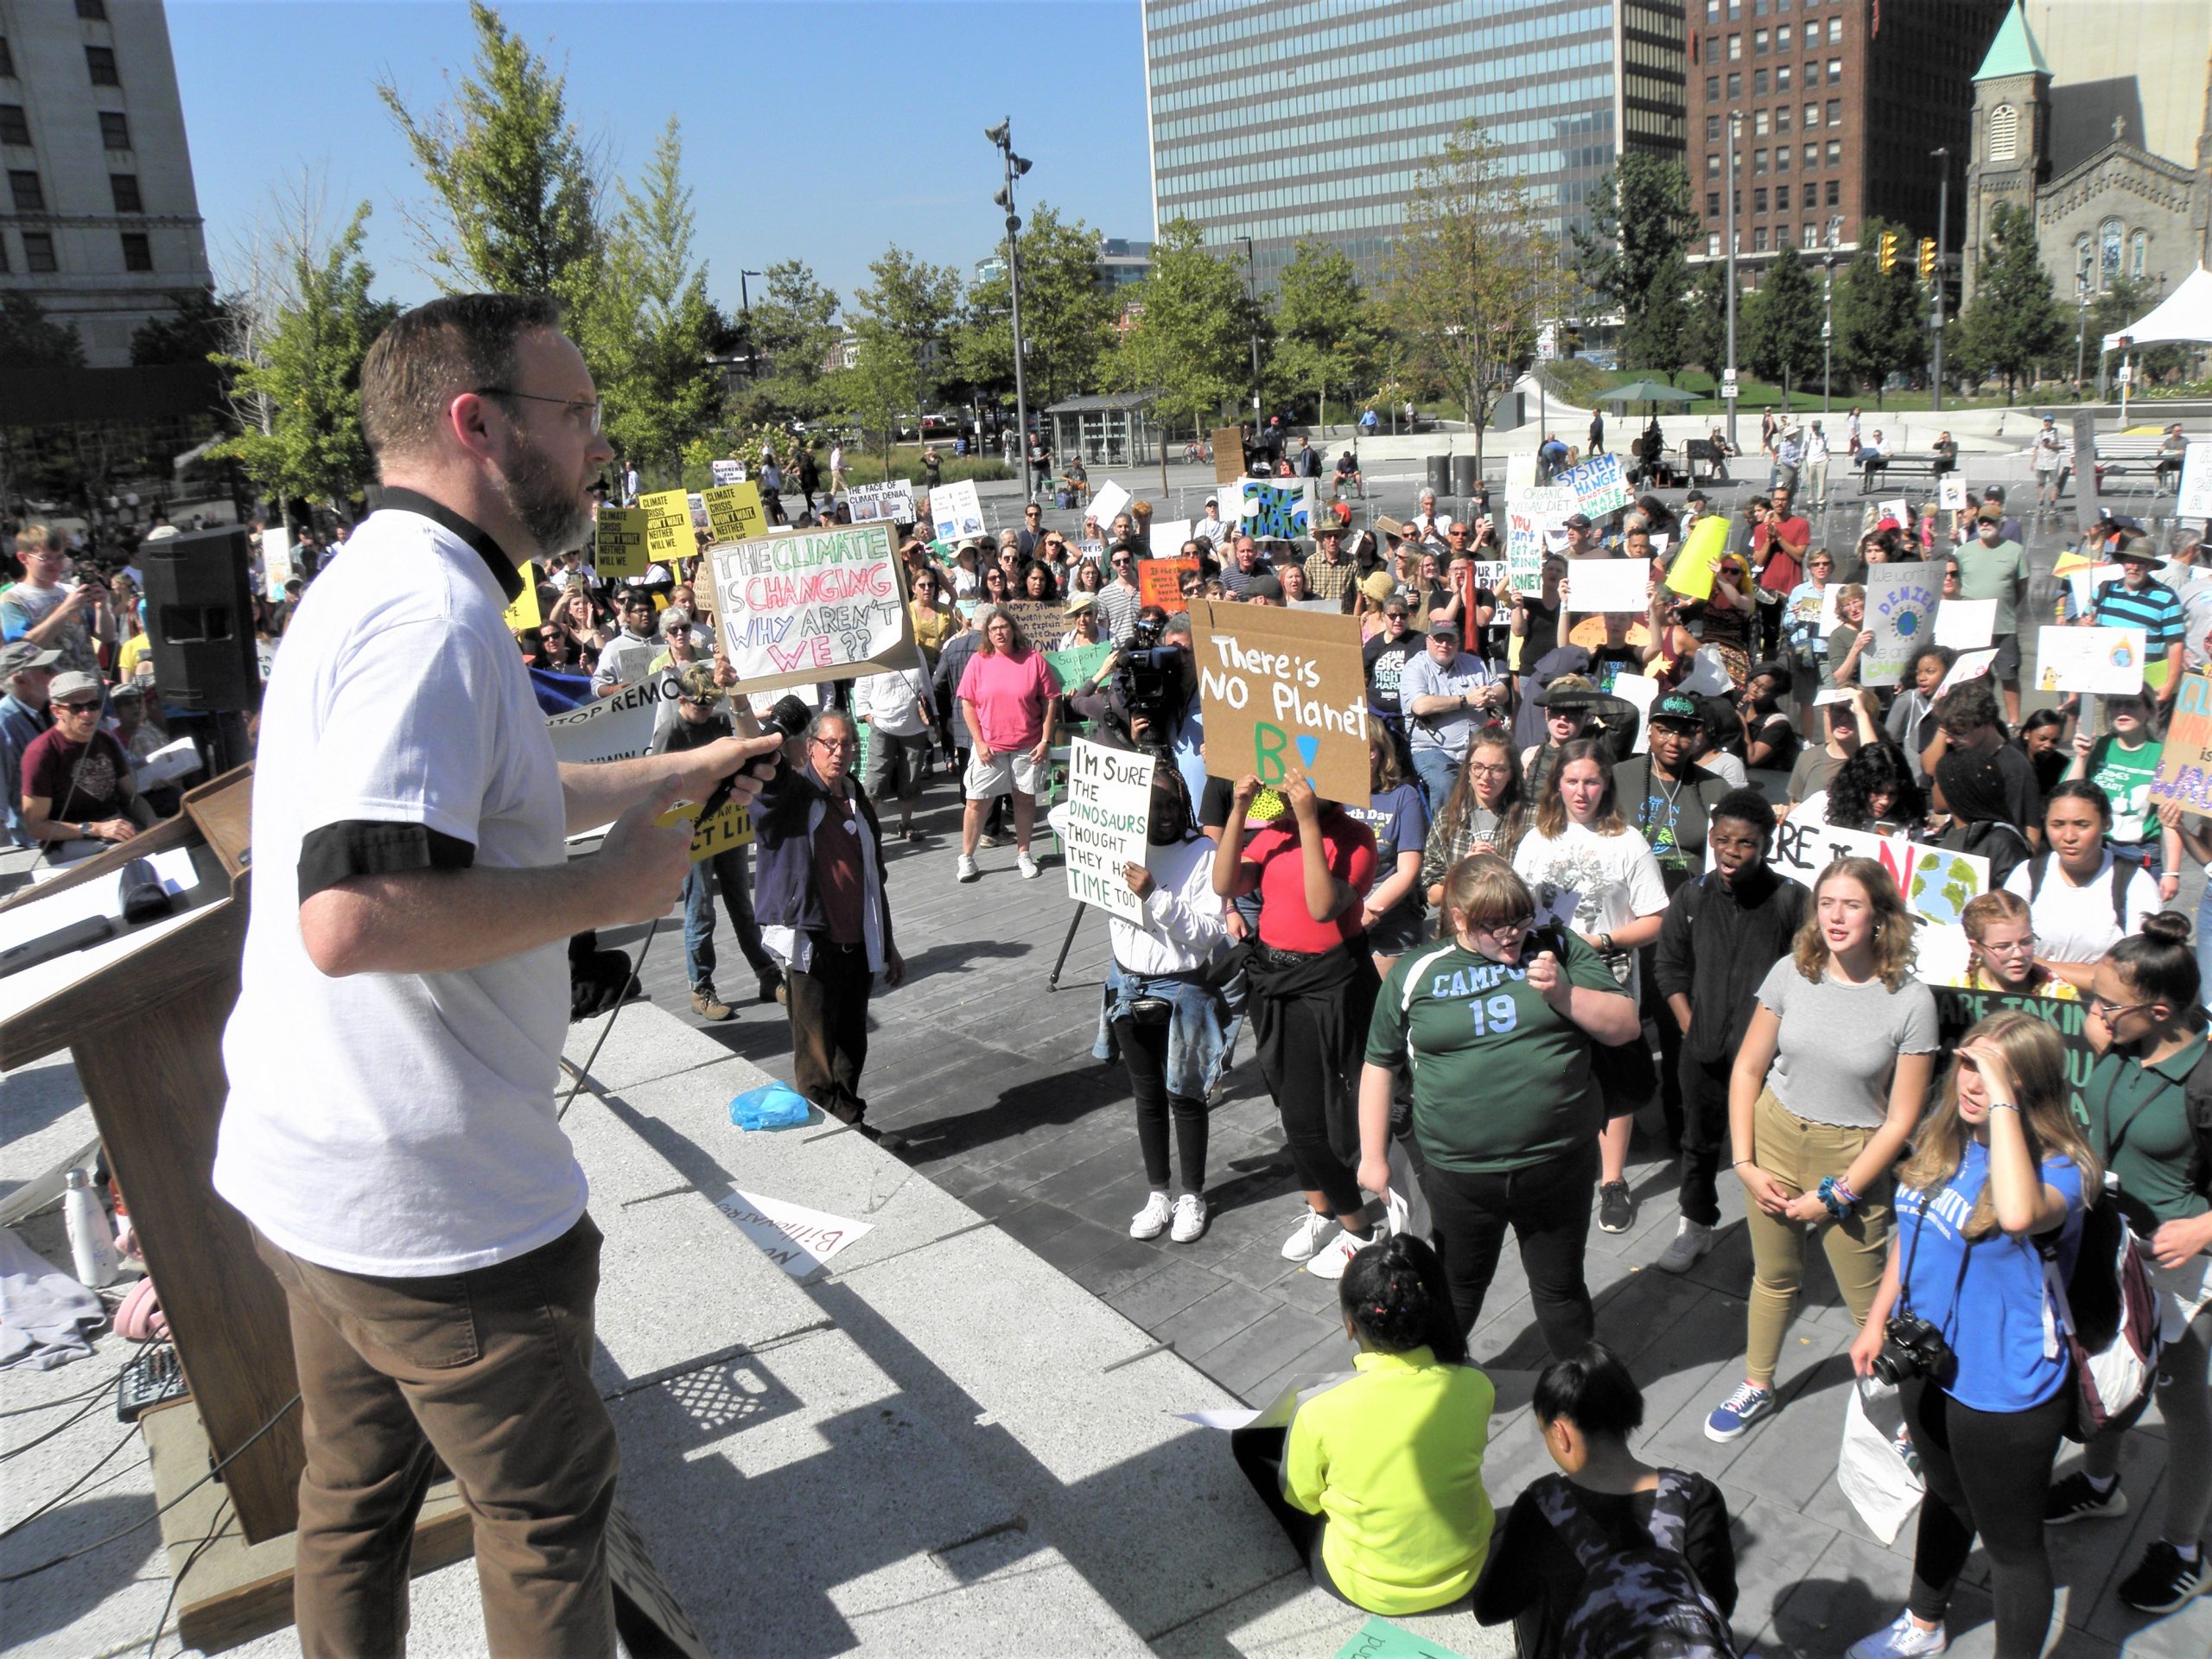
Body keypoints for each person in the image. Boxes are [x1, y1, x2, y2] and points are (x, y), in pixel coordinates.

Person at [212, 294, 783, 1656]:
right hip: (438, 1210)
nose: (598, 445)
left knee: (350, 1502)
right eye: (575, 414)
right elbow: (349, 913)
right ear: (478, 423)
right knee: (544, 1514)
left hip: (313, 1171)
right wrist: (612, 887)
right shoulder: (434, 615)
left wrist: (671, 772)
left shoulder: (380, 577)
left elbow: (481, 798)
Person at [1844, 1014, 2096, 1659]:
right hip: (1928, 1364)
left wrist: (2004, 1101)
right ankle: (1924, 1626)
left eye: (1992, 1074)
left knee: (2012, 1547)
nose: (1972, 1084)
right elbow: (1911, 1232)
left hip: (2005, 1392)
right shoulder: (1944, 1142)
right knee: (1947, 1496)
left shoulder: (2061, 1172)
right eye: (1966, 1066)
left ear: (2026, 1087)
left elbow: (2015, 1213)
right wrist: (1877, 1319)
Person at [1359, 857, 1637, 1352]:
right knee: (1458, 1291)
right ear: (1461, 918)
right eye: (1496, 925)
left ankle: (1578, 1396)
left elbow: (1624, 1026)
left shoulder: (1557, 947)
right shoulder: (1416, 971)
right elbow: (1379, 1064)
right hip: (1461, 1177)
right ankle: (1433, 1388)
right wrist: (1373, 1157)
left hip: (1557, 1166)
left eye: (1521, 920)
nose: (1513, 936)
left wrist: (1563, 994)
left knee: (1561, 1290)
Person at [1706, 858, 1938, 1441]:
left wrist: (1838, 1194)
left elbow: (1902, 1118)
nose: (1835, 916)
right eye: (1827, 902)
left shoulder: (1911, 1001)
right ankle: (1757, 1385)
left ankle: (1911, 1424)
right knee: (1774, 1276)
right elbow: (1749, 1068)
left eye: (1852, 904)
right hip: (1777, 1137)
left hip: (1853, 1157)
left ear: (1881, 915)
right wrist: (1744, 1163)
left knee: (1871, 1303)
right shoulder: (1792, 971)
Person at [2044, 917, 2212, 1614]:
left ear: (2162, 1010)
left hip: (2181, 1273)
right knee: (2108, 1369)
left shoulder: (2204, 1075)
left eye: (2109, 1002)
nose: (2095, 1012)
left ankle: (2184, 1550)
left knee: (2184, 1407)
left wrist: (2205, 1225)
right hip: (2113, 1249)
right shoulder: (2120, 1038)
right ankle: (2101, 1487)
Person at [1231, 1234, 1495, 1615]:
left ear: (1350, 1325)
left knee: (1246, 1443)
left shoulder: (1320, 1409)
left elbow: (1301, 1497)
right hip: (1467, 1568)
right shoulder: (1475, 1383)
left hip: (1370, 1587)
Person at [1214, 775, 1391, 1282]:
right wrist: (1241, 806)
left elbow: (1321, 905)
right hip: (1276, 981)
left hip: (1330, 988)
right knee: (1288, 1105)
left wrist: (1310, 820)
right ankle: (1321, 1209)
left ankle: (1359, 1229)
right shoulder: (1273, 831)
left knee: (1311, 1124)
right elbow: (1226, 884)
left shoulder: (1355, 836)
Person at [1474, 1343, 1737, 1659]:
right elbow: (1720, 1600)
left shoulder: (1542, 1509)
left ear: (1560, 1433)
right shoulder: (1697, 1498)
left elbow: (1491, 1608)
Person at [1512, 741, 1669, 1235]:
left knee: (1611, 1079)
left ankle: (1614, 1182)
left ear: (1607, 785)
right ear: (1557, 783)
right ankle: (1549, 1170)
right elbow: (1517, 902)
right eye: (1573, 781)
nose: (1582, 792)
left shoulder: (1630, 842)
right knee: (1550, 1070)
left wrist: (1602, 939)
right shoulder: (1537, 837)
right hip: (1544, 973)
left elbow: (1656, 920)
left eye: (1592, 781)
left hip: (1608, 977)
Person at [1654, 790, 1809, 1274]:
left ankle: (1779, 1251)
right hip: (1701, 1053)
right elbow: (1669, 967)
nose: (1730, 852)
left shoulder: (1791, 900)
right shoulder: (1692, 896)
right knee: (1698, 1147)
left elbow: (1808, 975)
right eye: (1722, 840)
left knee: (1772, 1156)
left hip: (1768, 1063)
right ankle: (1695, 1225)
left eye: (1745, 843)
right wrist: (1688, 1023)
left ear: (1767, 842)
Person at [753, 707, 906, 1140]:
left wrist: (888, 944)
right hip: (812, 940)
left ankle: (849, 1120)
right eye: (831, 744)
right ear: (809, 747)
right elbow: (763, 776)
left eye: (849, 745)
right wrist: (749, 713)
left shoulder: (855, 795)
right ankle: (835, 1131)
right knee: (815, 1051)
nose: (840, 753)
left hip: (857, 941)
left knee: (851, 1043)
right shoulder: (792, 796)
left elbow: (875, 875)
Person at [1099, 758, 1229, 1245]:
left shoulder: (1203, 854)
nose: (1165, 813)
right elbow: (1066, 818)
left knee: (1186, 1096)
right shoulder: (1121, 844)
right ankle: (1159, 1192)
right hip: (1128, 984)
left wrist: (1156, 897)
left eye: (1173, 802)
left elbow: (1208, 934)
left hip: (1181, 991)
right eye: (1153, 804)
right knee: (1147, 1095)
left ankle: (1192, 1194)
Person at [652, 664, 781, 1017]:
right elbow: (658, 787)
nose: (707, 713)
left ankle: (767, 973)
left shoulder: (720, 723)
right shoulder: (669, 732)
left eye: (711, 706)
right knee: (700, 906)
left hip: (727, 823)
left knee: (741, 901)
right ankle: (701, 986)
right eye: (700, 707)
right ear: (682, 699)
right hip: (691, 830)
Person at [2003, 781, 2162, 988]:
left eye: (2082, 825)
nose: (2069, 837)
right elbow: (2001, 953)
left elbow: (2134, 973)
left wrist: (2036, 966)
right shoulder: (2027, 874)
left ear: (2106, 824)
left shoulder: (2135, 883)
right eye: (2058, 825)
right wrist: (2090, 973)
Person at [955, 606, 1060, 883]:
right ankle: (967, 857)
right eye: (993, 629)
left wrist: (1046, 740)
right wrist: (978, 742)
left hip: (1027, 745)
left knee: (1024, 800)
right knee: (976, 801)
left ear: (1013, 629)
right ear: (987, 634)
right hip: (989, 747)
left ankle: (1023, 853)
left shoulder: (1033, 658)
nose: (999, 632)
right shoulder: (979, 661)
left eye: (1003, 627)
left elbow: (1051, 698)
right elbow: (967, 703)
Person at [18, 668, 153, 860]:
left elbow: (131, 797)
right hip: (70, 840)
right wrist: (96, 829)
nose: (86, 714)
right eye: (76, 708)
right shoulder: (41, 753)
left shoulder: (106, 739)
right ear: (56, 711)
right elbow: (36, 826)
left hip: (115, 826)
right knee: (129, 855)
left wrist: (153, 822)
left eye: (93, 705)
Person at [2066, 689, 2182, 889]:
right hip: (2096, 850)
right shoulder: (2098, 747)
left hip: (2142, 855)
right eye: (2115, 704)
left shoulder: (2163, 755)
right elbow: (2066, 798)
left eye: (2132, 704)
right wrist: (2081, 757)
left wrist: (2171, 872)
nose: (2122, 710)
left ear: (2150, 711)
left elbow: (2170, 819)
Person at [1399, 620, 1504, 816]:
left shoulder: (1474, 663)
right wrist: (1465, 700)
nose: (1444, 646)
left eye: (1450, 641)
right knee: (1444, 784)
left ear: (1459, 643)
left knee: (1502, 775)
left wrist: (1491, 695)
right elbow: (1420, 706)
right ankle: (1445, 838)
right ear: (1429, 641)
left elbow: (1502, 690)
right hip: (1433, 749)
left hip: (1476, 748)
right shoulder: (1415, 667)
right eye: (1439, 640)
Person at [1421, 728, 1529, 908]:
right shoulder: (1448, 818)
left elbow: (1540, 890)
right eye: (1478, 767)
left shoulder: (1531, 820)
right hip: (1459, 927)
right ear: (1468, 770)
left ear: (1511, 773)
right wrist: (1464, 871)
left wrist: (1500, 868)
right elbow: (1433, 897)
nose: (1485, 777)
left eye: (1497, 770)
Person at [2089, 537, 2188, 711]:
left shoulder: (2166, 597)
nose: (2134, 567)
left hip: (2143, 690)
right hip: (2102, 685)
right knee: (2100, 736)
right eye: (2130, 561)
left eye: (2141, 563)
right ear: (2122, 563)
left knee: (2142, 737)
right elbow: (2082, 631)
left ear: (2150, 566)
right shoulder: (2104, 589)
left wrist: (2170, 685)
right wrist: (2083, 625)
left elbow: (2176, 645)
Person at [1952, 511, 2030, 724]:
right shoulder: (1964, 551)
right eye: (1982, 520)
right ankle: (1976, 720)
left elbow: (2022, 586)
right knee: (1972, 677)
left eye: (1990, 521)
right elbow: (1954, 583)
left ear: (2000, 523)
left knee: (2009, 676)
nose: (1985, 524)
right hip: (1972, 627)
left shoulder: (2016, 551)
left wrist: (2006, 606)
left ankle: (2013, 723)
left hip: (2004, 626)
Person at [855, 651, 934, 843]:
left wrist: (935, 718)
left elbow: (925, 683)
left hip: (915, 725)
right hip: (883, 725)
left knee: (911, 777)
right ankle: (863, 828)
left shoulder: (914, 649)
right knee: (876, 778)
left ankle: (906, 824)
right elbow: (861, 690)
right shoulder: (874, 651)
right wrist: (869, 718)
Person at [1953, 890, 2075, 998]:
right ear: (1977, 947)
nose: (2018, 954)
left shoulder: (2058, 994)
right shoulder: (1956, 992)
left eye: (2025, 942)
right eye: (2003, 946)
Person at [0, 639, 60, 849]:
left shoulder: (54, 708)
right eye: (46, 669)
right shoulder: (3, 724)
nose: (56, 673)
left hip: (69, 827)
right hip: (35, 844)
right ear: (19, 681)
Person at [2033, 416, 2064, 509]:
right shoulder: (2040, 433)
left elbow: (2063, 446)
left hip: (2052, 463)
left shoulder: (2057, 433)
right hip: (2041, 463)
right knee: (2040, 483)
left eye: (2049, 421)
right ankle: (2041, 501)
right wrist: (2032, 462)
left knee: (2054, 483)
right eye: (2045, 421)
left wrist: (2052, 446)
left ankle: (2052, 503)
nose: (2046, 423)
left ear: (2052, 422)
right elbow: (2036, 448)